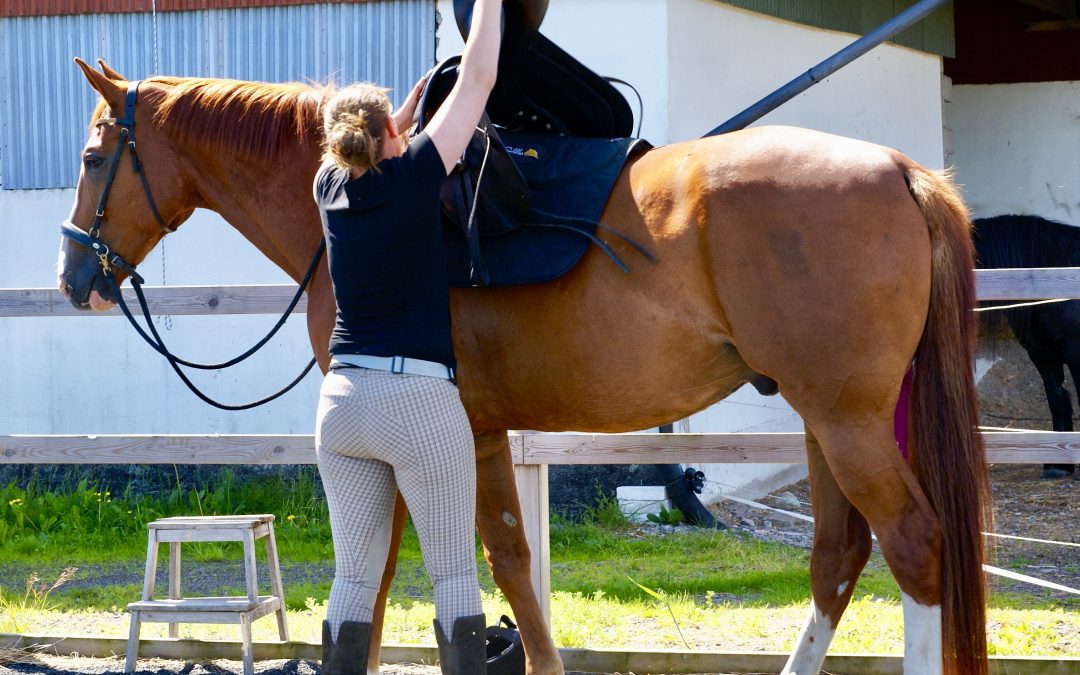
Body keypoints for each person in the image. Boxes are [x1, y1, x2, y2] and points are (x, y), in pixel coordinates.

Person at [312, 1, 504, 673]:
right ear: (394, 135)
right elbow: (479, 78)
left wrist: (405, 111)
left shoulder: (326, 186)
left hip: (341, 405)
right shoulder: (417, 174)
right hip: (418, 402)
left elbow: (368, 145)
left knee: (354, 578)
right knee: (452, 575)